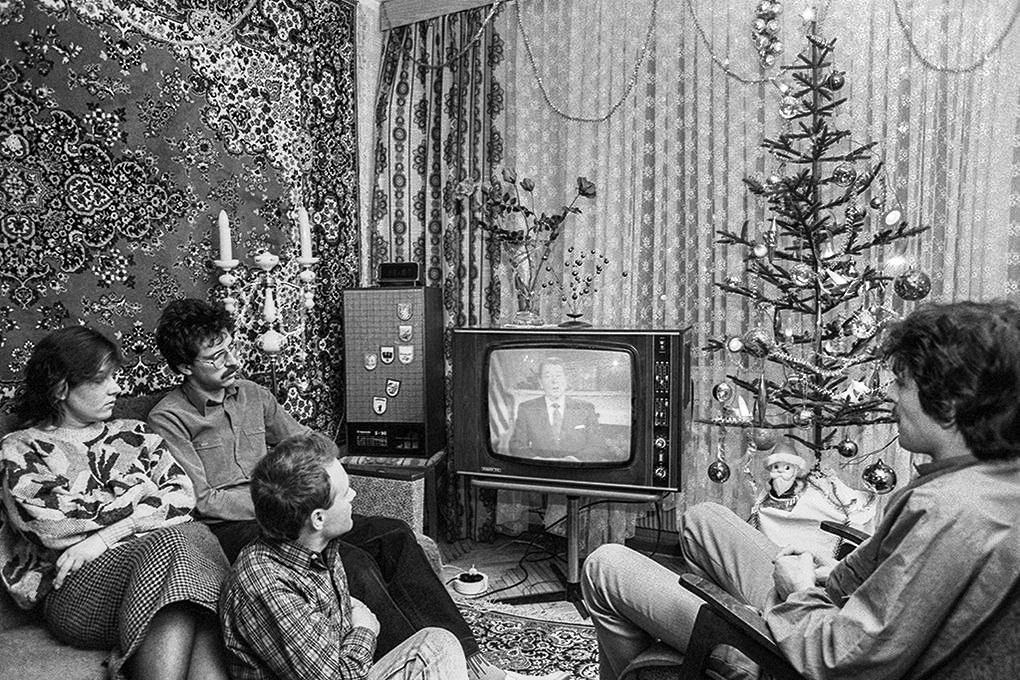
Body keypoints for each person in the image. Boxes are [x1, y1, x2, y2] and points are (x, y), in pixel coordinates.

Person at [581, 300, 1020, 680]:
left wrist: (798, 592)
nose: (891, 396)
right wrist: (834, 574)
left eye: (902, 383)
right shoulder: (984, 479)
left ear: (952, 403)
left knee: (606, 564)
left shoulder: (950, 511)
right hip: (827, 611)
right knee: (703, 520)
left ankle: (687, 667)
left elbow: (841, 659)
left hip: (792, 653)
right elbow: (897, 573)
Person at [148, 298, 565, 680]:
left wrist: (326, 469)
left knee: (395, 534)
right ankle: (408, 662)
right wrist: (283, 504)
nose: (232, 360)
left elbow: (309, 443)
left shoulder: (254, 395)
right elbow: (203, 499)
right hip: (239, 524)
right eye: (216, 356)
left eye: (230, 347)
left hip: (296, 502)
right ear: (185, 367)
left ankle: (471, 660)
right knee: (356, 562)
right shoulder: (169, 417)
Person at [0, 326, 230, 680]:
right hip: (74, 592)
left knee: (192, 563)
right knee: (180, 540)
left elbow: (181, 497)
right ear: (61, 387)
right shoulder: (20, 450)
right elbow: (54, 529)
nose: (118, 389)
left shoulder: (135, 433)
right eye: (101, 380)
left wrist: (103, 538)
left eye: (116, 377)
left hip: (159, 574)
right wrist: (142, 503)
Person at [220, 432, 467, 680]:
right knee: (434, 650)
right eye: (345, 493)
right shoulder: (266, 585)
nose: (353, 497)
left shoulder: (319, 549)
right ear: (318, 518)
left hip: (344, 668)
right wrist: (364, 629)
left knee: (438, 640)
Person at [508, 357, 604, 458]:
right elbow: (516, 445)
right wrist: (536, 460)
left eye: (558, 375)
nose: (554, 381)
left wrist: (574, 460)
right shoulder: (526, 408)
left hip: (576, 470)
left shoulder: (586, 409)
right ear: (540, 382)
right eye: (548, 376)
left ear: (566, 380)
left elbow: (598, 446)